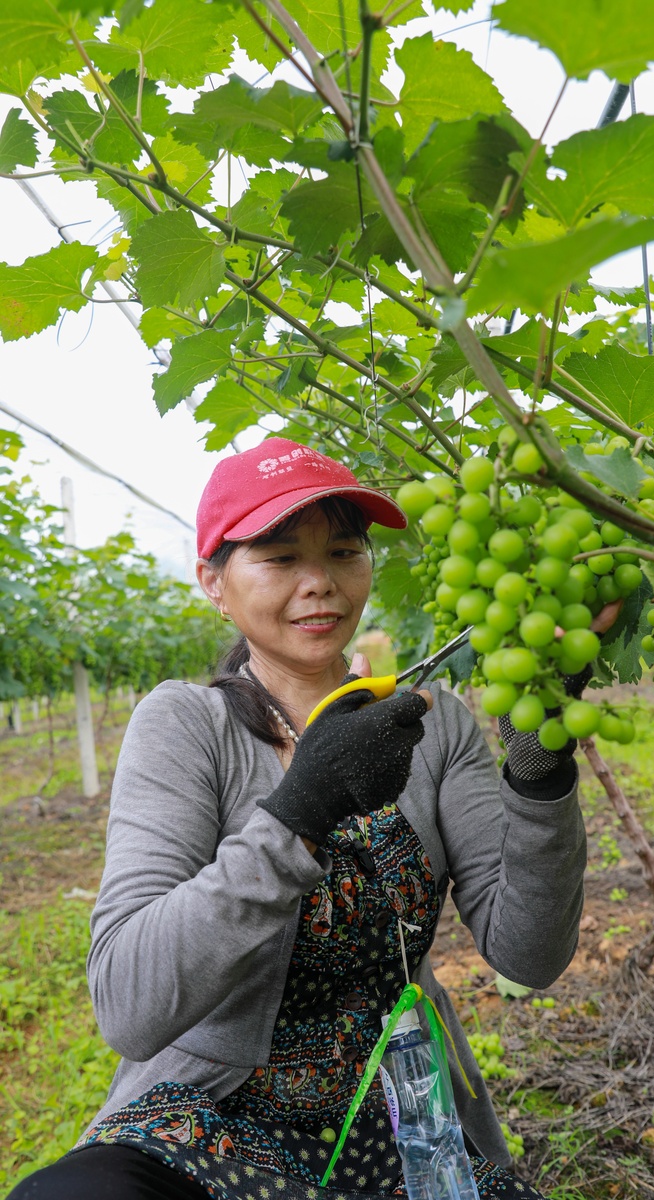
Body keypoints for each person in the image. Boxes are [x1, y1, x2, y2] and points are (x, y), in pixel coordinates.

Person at [9, 438, 590, 1200]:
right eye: (280, 559)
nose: (319, 583)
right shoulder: (186, 726)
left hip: (400, 1115)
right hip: (210, 1115)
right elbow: (127, 1000)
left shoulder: (434, 724)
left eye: (344, 551)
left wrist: (538, 771)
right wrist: (300, 813)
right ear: (214, 583)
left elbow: (529, 955)